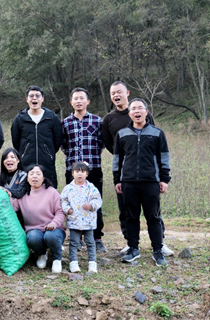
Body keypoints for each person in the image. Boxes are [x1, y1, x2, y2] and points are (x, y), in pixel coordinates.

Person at [102, 81, 172, 257]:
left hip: (150, 179)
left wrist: (164, 178)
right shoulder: (114, 124)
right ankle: (132, 246)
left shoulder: (155, 130)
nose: (116, 95)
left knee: (153, 214)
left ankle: (159, 246)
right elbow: (113, 151)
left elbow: (162, 154)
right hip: (128, 178)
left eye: (119, 92)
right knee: (128, 214)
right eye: (113, 93)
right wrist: (121, 173)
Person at [60, 87, 107, 253]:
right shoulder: (65, 123)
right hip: (72, 170)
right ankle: (76, 239)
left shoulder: (97, 121)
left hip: (93, 169)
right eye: (76, 99)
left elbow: (101, 143)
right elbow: (64, 145)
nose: (79, 101)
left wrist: (89, 160)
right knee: (73, 203)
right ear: (71, 102)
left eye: (82, 98)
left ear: (87, 101)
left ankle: (97, 238)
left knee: (95, 202)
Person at [10, 164, 66, 273]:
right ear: (27, 178)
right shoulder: (23, 194)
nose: (34, 176)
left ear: (43, 177)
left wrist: (54, 223)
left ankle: (57, 258)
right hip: (34, 230)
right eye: (31, 174)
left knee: (50, 236)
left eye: (38, 174)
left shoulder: (52, 192)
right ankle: (42, 254)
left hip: (54, 229)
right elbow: (12, 208)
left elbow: (60, 212)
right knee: (32, 238)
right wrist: (6, 195)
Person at [10, 85, 62, 187]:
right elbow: (16, 141)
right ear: (27, 99)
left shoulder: (52, 118)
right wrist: (25, 152)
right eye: (31, 96)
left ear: (42, 99)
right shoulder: (20, 119)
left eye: (37, 96)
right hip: (26, 163)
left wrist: (48, 151)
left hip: (47, 162)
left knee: (48, 190)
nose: (34, 98)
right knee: (25, 191)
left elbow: (58, 140)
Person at [60, 162, 103, 273]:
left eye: (83, 172)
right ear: (72, 173)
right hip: (74, 221)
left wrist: (91, 205)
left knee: (90, 242)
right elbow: (63, 200)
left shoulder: (91, 188)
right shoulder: (68, 188)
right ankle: (73, 263)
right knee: (74, 243)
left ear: (87, 174)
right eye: (77, 171)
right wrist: (67, 209)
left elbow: (98, 200)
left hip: (88, 221)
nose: (80, 174)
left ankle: (92, 263)